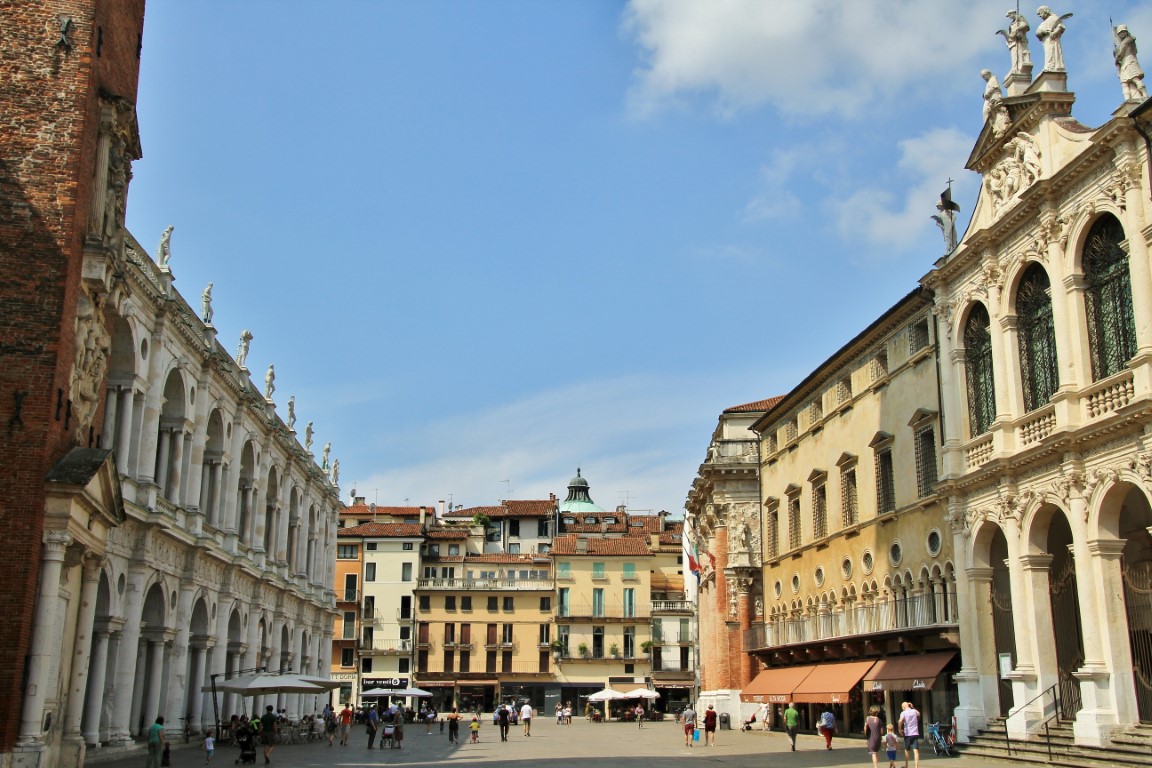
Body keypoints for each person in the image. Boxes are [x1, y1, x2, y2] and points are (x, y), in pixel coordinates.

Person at [1115, 25, 1149, 102]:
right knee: (1124, 82)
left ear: (1126, 32)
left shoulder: (1127, 41)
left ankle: (1145, 95)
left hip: (1129, 61)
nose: (1122, 34)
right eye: (1120, 33)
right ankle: (1128, 100)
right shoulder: (1128, 41)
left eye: (1123, 32)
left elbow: (1120, 54)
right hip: (1125, 63)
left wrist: (1116, 58)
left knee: (1135, 78)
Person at [1036, 6, 1068, 73]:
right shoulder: (1043, 23)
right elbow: (1037, 32)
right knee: (1048, 52)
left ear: (1045, 11)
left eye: (1040, 13)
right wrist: (1044, 32)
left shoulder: (1054, 18)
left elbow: (1061, 26)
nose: (1039, 15)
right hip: (1046, 40)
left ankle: (1051, 66)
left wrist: (1055, 32)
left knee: (1052, 51)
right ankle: (1049, 65)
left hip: (1053, 39)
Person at [898, 701, 921, 768]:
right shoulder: (914, 711)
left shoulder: (903, 713)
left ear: (903, 707)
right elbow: (919, 714)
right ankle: (916, 766)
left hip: (907, 734)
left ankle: (906, 765)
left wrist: (900, 729)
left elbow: (900, 721)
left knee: (907, 750)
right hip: (915, 733)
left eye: (902, 707)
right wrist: (912, 707)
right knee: (916, 750)